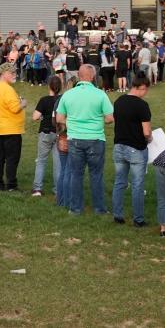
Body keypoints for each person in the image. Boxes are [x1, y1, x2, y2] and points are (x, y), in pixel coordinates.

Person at [56, 64, 114, 216]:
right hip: (95, 138)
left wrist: (73, 123)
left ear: (79, 76)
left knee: (76, 174)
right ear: (93, 77)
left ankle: (75, 208)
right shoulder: (100, 94)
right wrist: (95, 120)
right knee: (96, 175)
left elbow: (60, 118)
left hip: (75, 138)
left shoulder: (68, 95)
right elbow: (109, 119)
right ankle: (100, 209)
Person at [111, 72, 152, 227]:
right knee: (137, 185)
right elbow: (146, 131)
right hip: (136, 148)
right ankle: (138, 219)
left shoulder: (118, 101)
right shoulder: (142, 105)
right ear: (142, 87)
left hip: (119, 146)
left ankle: (118, 214)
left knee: (120, 182)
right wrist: (150, 139)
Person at [0, 62, 27, 191]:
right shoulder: (7, 89)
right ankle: (11, 185)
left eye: (15, 72)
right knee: (11, 160)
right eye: (12, 73)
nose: (15, 75)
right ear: (3, 74)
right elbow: (15, 108)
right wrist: (23, 103)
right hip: (11, 129)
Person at [31, 76, 63, 196]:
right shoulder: (63, 99)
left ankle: (37, 189)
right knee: (58, 163)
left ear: (49, 86)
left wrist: (43, 116)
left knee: (41, 161)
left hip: (45, 132)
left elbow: (34, 117)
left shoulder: (44, 100)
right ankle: (58, 190)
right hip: (59, 132)